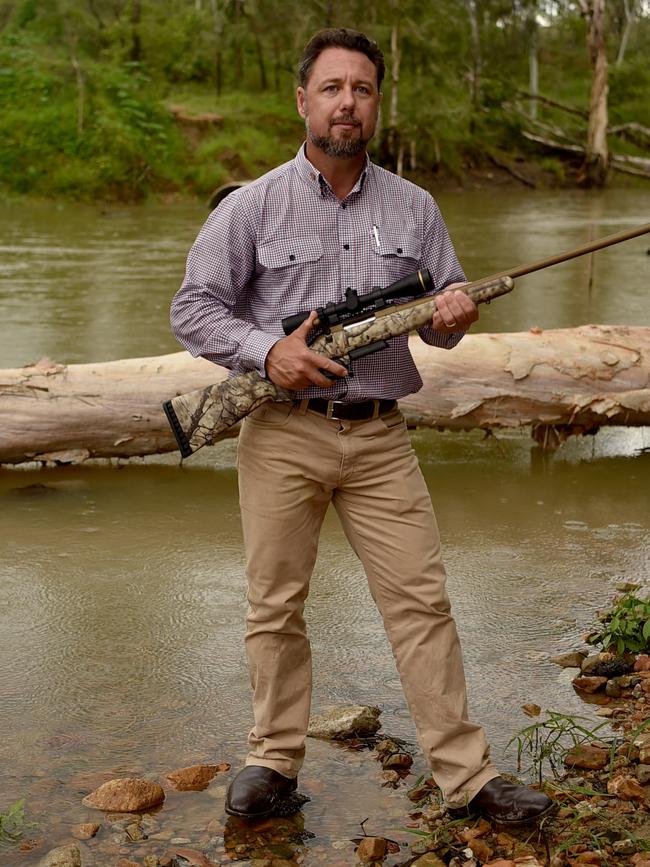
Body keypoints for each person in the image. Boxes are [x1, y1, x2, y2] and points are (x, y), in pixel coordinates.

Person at [170, 28, 554, 826]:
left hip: (380, 437)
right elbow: (193, 309)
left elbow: (442, 319)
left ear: (377, 104)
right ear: (303, 100)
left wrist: (455, 313)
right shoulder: (250, 207)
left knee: (423, 603)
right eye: (334, 87)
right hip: (280, 432)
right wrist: (266, 352)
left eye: (364, 89)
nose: (349, 102)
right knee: (274, 605)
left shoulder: (415, 206)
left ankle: (468, 777)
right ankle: (273, 761)